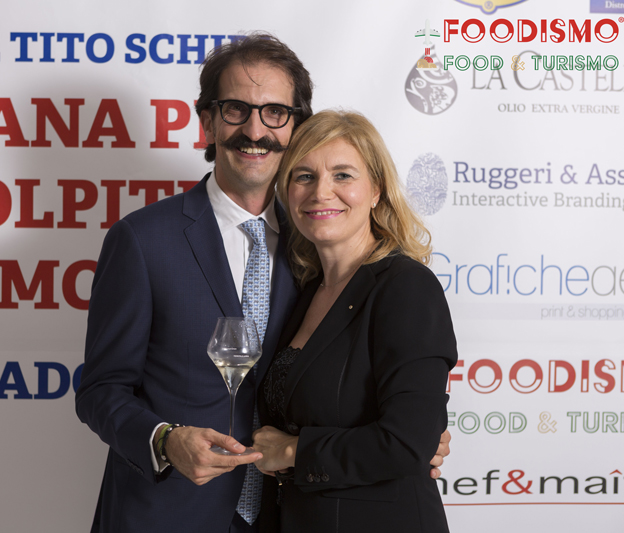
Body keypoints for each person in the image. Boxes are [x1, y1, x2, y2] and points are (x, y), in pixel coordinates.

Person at [75, 35, 450, 533]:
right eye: (236, 109)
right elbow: (100, 389)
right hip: (169, 513)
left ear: (296, 127)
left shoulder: (316, 243)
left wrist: (412, 438)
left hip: (288, 515)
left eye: (275, 112)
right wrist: (164, 439)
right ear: (208, 121)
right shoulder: (143, 241)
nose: (255, 130)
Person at [252, 110, 457, 533]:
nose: (320, 192)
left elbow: (407, 443)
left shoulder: (406, 287)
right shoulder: (306, 291)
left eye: (342, 175)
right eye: (304, 176)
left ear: (376, 190)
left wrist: (292, 451)